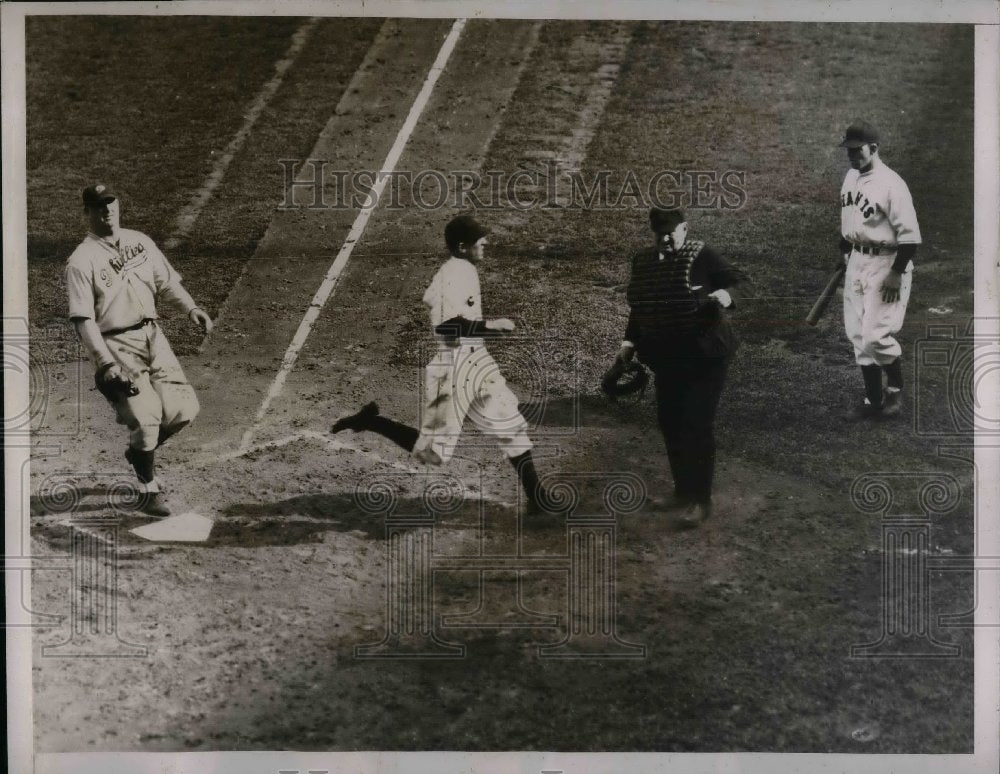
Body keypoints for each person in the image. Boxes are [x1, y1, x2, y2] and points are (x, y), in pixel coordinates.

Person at [331, 215, 551, 513]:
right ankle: (371, 421)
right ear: (462, 246)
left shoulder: (464, 269)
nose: (485, 242)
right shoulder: (453, 274)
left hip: (478, 362)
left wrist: (484, 331)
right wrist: (490, 325)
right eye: (479, 239)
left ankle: (537, 497)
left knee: (511, 427)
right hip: (454, 370)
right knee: (432, 454)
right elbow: (448, 327)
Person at [65, 183, 213, 516]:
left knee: (184, 410)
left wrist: (191, 308)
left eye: (111, 202)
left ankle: (139, 451)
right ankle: (148, 489)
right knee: (147, 421)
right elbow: (83, 320)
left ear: (117, 204)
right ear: (86, 213)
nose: (107, 210)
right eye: (99, 206)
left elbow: (167, 282)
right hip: (117, 345)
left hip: (153, 337)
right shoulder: (80, 261)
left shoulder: (140, 241)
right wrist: (105, 363)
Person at [616, 207, 740, 527]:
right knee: (670, 422)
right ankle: (683, 492)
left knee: (696, 424)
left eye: (672, 232)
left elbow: (740, 282)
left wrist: (726, 294)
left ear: (684, 229)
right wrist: (628, 345)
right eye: (660, 234)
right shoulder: (644, 262)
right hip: (668, 354)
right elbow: (642, 306)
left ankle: (701, 500)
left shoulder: (701, 256)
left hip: (707, 354)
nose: (666, 239)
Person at [837, 120, 921, 419]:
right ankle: (872, 400)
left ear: (874, 148)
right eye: (848, 150)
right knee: (857, 333)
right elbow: (850, 220)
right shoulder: (850, 176)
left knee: (875, 335)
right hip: (858, 260)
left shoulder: (892, 184)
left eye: (857, 150)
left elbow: (910, 237)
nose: (851, 156)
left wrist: (896, 273)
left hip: (887, 262)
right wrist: (845, 252)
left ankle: (895, 390)